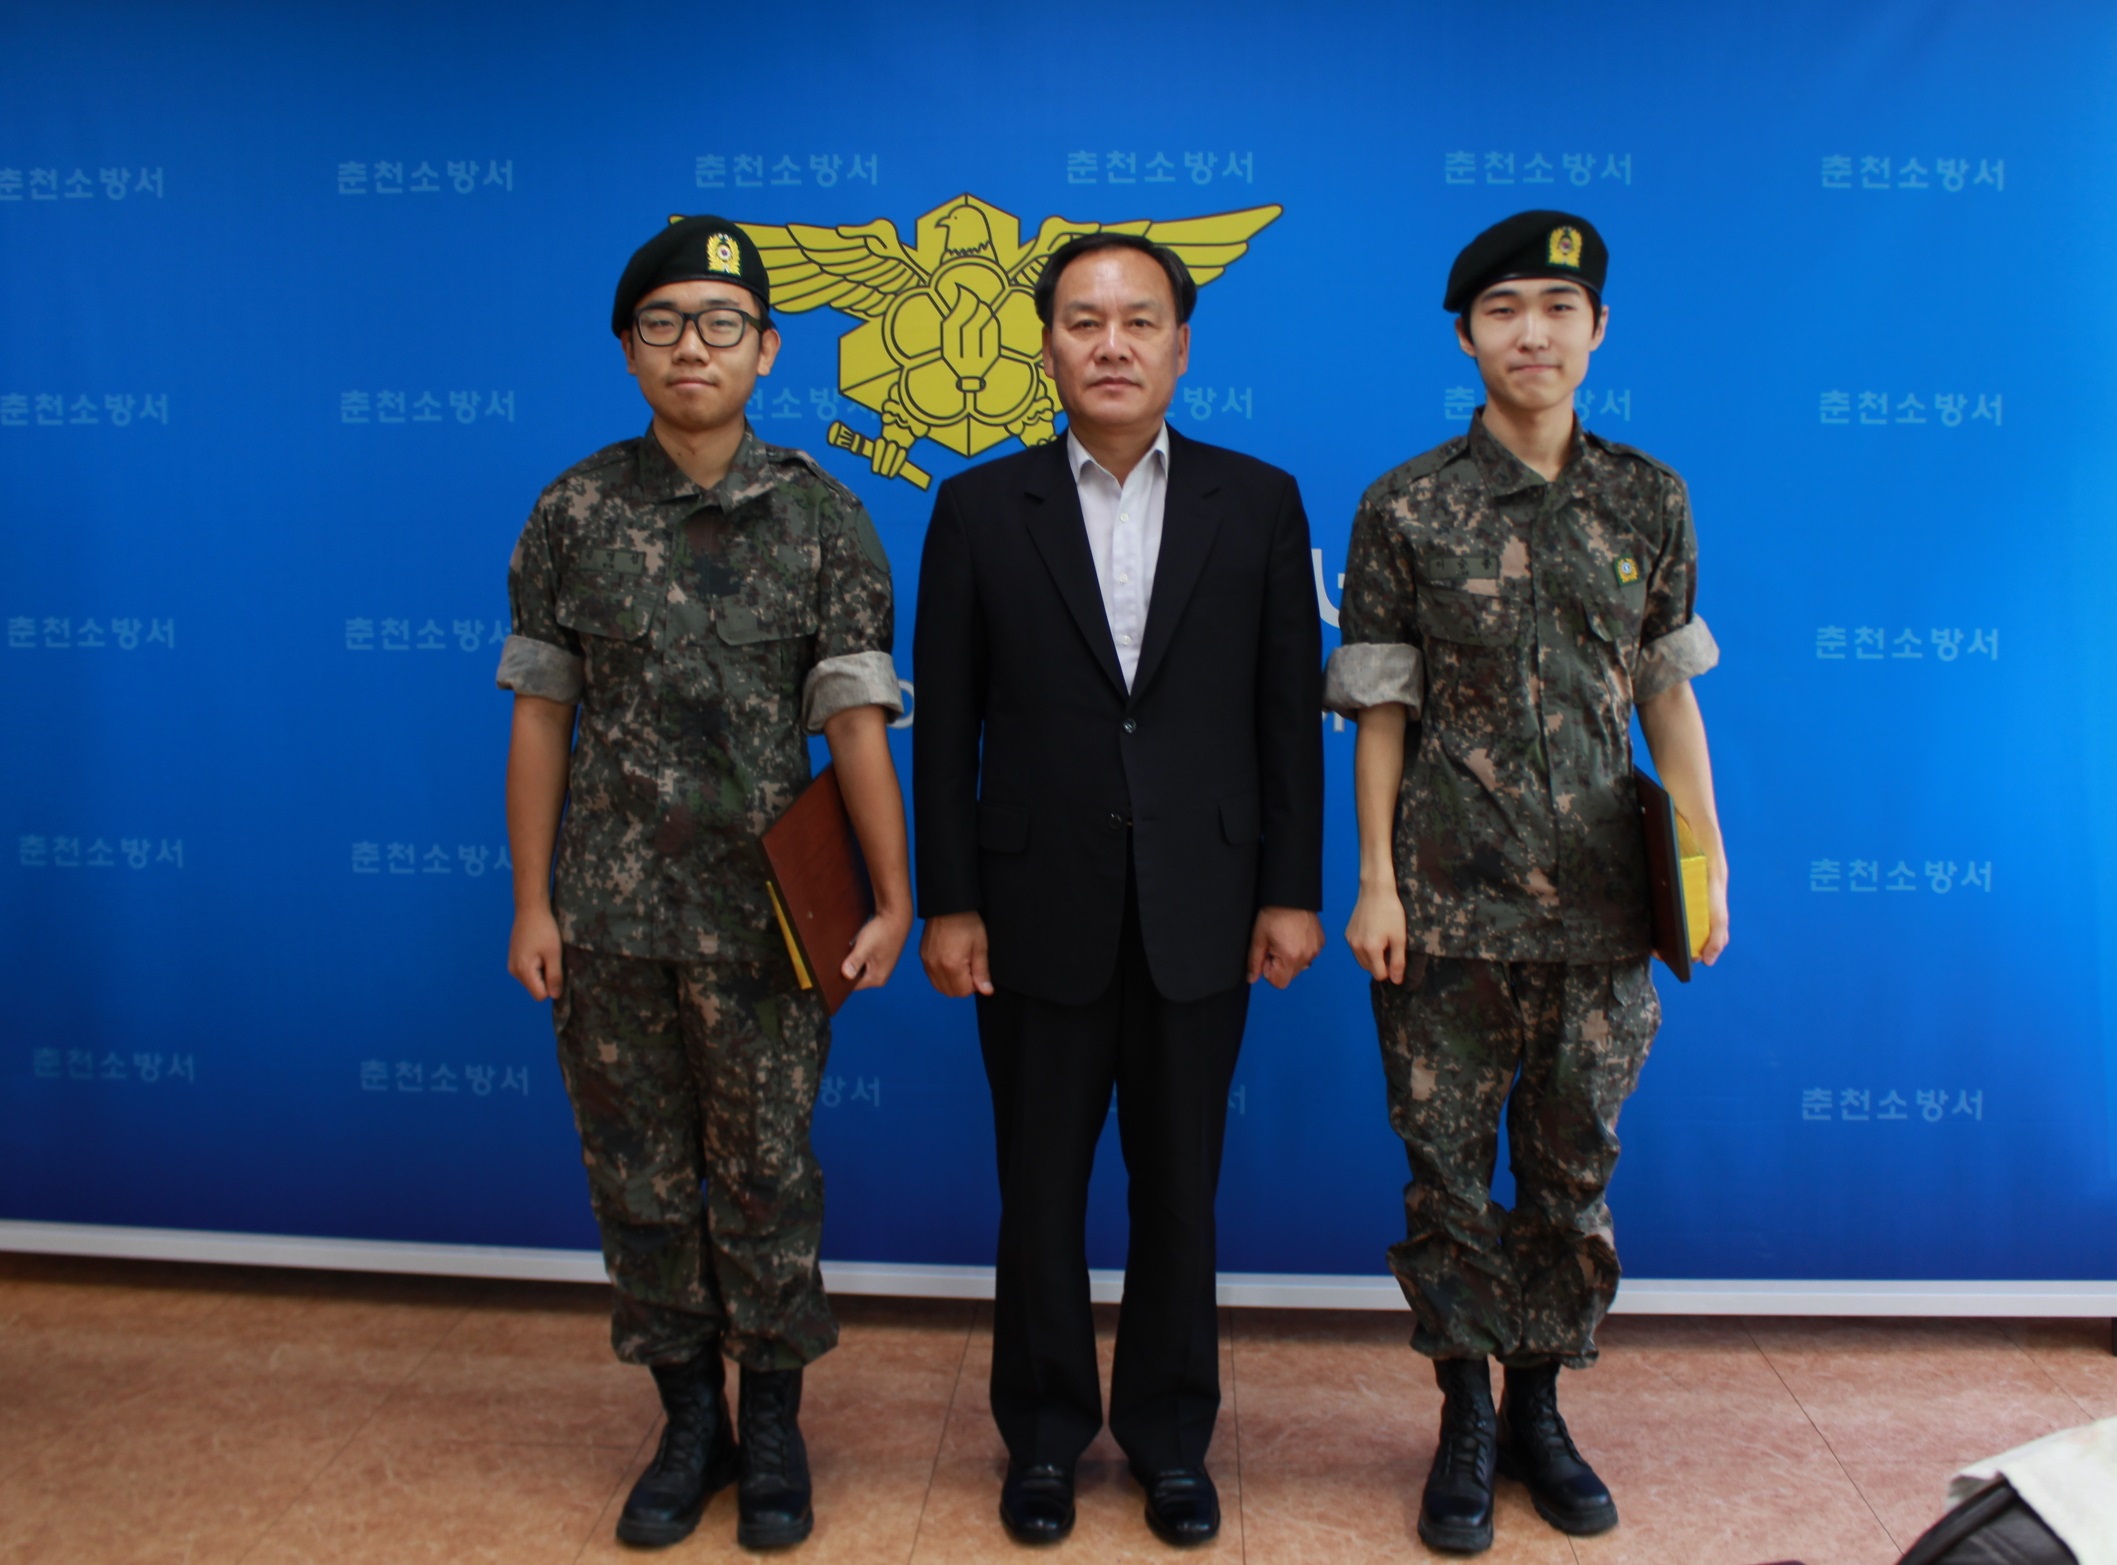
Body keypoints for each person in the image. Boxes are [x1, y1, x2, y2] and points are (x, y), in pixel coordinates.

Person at [497, 215, 911, 1552]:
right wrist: (533, 902)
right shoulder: (573, 511)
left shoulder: (823, 516)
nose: (694, 347)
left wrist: (892, 896)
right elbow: (541, 717)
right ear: (629, 350)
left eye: (722, 325)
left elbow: (855, 721)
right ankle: (690, 1423)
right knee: (638, 1177)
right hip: (609, 918)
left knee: (767, 1176)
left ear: (767, 350)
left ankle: (774, 1424)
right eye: (665, 324)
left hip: (765, 924)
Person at [1324, 210, 1728, 1555]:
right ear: (1465, 337)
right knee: (1444, 1175)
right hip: (1444, 905)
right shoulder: (1405, 504)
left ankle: (1540, 1407)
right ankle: (1462, 1414)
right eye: (1503, 310)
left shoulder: (1649, 498)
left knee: (1571, 1171)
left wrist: (1704, 857)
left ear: (1597, 329)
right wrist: (1373, 881)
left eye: (1558, 309)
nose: (1531, 333)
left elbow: (1665, 692)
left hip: (1606, 912)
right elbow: (1380, 710)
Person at [913, 232, 1324, 1548]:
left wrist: (1291, 890)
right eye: (1083, 320)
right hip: (1033, 906)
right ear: (1045, 346)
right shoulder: (979, 507)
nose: (1110, 343)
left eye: (1139, 320)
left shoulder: (1258, 502)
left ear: (1180, 347)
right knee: (1036, 1191)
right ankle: (1042, 1437)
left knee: (1180, 1192)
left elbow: (1285, 716)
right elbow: (947, 729)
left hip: (1205, 903)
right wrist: (948, 899)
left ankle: (1169, 1438)